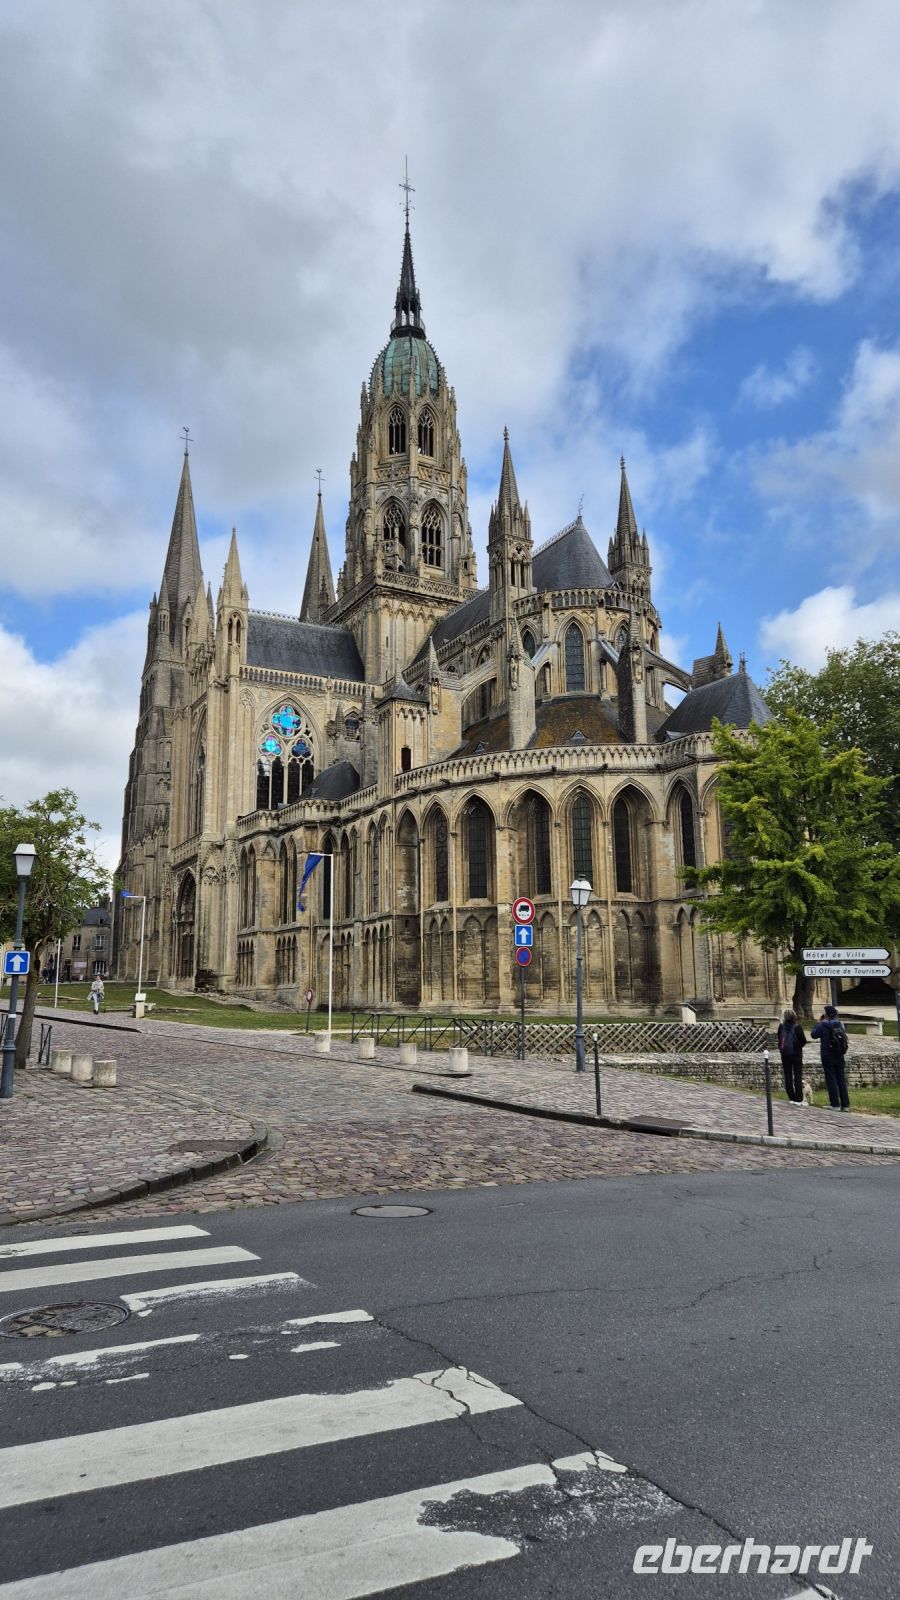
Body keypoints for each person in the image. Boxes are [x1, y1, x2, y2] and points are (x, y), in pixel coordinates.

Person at [811, 1003, 850, 1111]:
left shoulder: (822, 1025)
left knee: (831, 1078)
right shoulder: (840, 1024)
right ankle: (845, 1105)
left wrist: (818, 1022)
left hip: (827, 1054)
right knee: (841, 1079)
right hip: (839, 1054)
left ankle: (835, 1104)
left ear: (826, 1015)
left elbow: (813, 1035)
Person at [777, 1007, 807, 1104]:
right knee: (797, 1075)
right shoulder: (797, 1027)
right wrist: (797, 1047)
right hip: (796, 1054)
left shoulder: (781, 1027)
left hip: (785, 1054)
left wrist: (781, 1049)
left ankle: (791, 1097)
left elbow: (779, 1039)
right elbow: (803, 1040)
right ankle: (799, 1099)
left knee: (787, 1075)